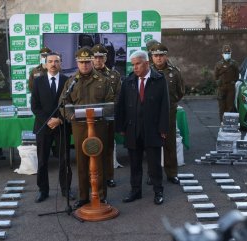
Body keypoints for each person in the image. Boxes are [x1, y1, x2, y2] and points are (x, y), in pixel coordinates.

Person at [60, 47, 115, 209]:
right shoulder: (71, 82)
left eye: (87, 62)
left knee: (100, 161)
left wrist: (101, 113)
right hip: (80, 127)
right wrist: (70, 115)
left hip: (99, 126)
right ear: (77, 63)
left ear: (92, 61)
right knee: (82, 162)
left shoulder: (103, 81)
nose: (84, 65)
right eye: (81, 62)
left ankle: (102, 196)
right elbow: (63, 103)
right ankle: (84, 196)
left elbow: (111, 103)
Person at [116, 50, 169, 205]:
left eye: (138, 64)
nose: (135, 68)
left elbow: (164, 106)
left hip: (152, 129)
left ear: (146, 63)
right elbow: (121, 106)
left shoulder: (159, 80)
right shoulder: (128, 81)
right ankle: (135, 191)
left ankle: (158, 191)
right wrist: (121, 126)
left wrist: (163, 128)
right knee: (135, 163)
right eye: (133, 65)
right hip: (133, 129)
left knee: (154, 164)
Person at [31, 52, 74, 203]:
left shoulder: (68, 81)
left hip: (62, 126)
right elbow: (35, 107)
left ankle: (65, 189)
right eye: (50, 61)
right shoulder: (38, 82)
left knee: (65, 159)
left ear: (61, 63)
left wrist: (60, 120)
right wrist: (49, 120)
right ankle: (43, 190)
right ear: (46, 64)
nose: (53, 64)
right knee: (42, 160)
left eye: (56, 61)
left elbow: (70, 105)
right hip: (44, 125)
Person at [150, 42, 185, 185]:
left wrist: (169, 104)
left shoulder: (174, 72)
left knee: (169, 144)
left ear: (166, 56)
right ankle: (152, 174)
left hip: (169, 113)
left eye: (161, 56)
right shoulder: (147, 71)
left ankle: (172, 173)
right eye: (156, 56)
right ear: (152, 57)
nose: (158, 58)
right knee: (152, 146)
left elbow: (180, 92)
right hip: (151, 114)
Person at [91, 44, 121, 188]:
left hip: (108, 118)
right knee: (91, 149)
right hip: (90, 119)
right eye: (95, 57)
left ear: (105, 58)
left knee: (108, 148)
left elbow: (118, 96)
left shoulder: (114, 75)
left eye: (101, 57)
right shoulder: (85, 75)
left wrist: (106, 110)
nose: (98, 60)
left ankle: (109, 176)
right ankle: (93, 177)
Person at [214, 44, 239, 122]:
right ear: (222, 54)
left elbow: (237, 76)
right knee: (222, 106)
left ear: (231, 54)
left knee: (230, 106)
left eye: (228, 53)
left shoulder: (234, 64)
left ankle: (229, 123)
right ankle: (222, 123)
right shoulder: (218, 64)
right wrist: (219, 83)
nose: (227, 54)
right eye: (225, 53)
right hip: (221, 87)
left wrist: (232, 82)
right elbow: (215, 76)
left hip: (230, 88)